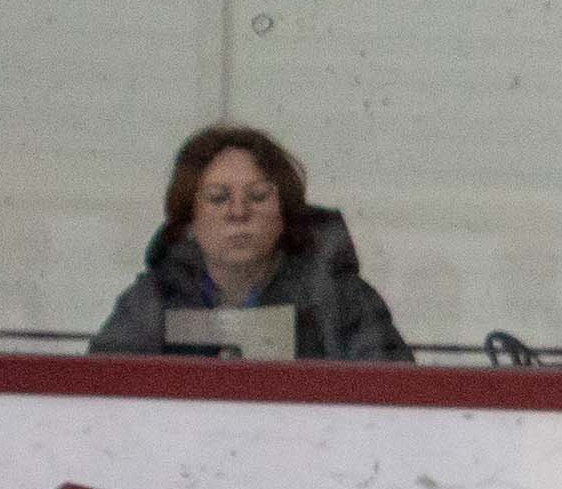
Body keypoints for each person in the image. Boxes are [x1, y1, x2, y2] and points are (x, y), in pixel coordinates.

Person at [91, 125, 410, 362]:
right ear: (189, 221)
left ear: (284, 214)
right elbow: (98, 399)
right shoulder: (153, 301)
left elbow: (392, 402)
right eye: (218, 199)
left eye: (257, 197)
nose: (239, 212)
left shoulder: (338, 300)